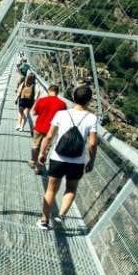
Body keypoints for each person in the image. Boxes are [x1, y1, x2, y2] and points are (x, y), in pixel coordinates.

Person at [37, 84, 98, 230]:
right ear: (89, 100)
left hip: (58, 157)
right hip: (77, 161)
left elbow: (49, 136)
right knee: (71, 189)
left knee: (51, 189)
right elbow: (92, 144)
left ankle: (44, 221)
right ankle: (61, 215)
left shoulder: (61, 114)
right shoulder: (92, 118)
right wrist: (91, 161)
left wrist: (42, 152)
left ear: (73, 97)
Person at [30, 84, 66, 173]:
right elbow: (63, 119)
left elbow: (34, 113)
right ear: (57, 93)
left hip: (39, 127)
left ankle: (33, 161)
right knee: (45, 150)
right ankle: (38, 168)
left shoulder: (42, 100)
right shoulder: (62, 104)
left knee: (35, 146)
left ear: (49, 91)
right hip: (52, 131)